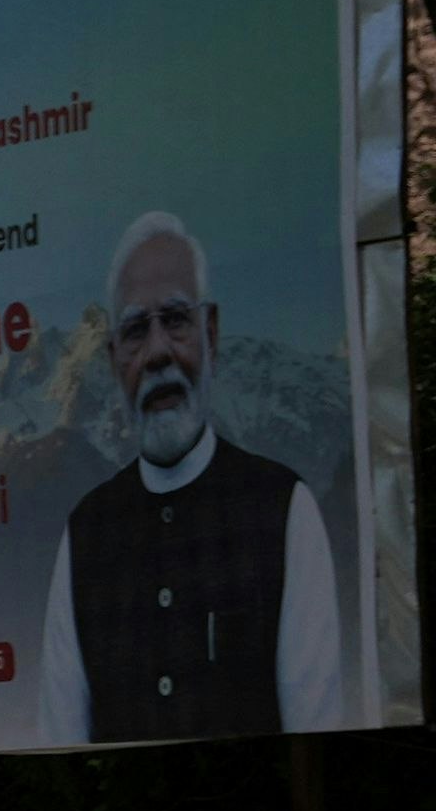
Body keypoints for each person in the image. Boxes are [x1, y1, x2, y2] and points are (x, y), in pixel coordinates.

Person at [40, 212, 345, 744]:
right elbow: (60, 740)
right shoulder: (87, 534)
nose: (158, 352)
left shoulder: (283, 510)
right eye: (136, 330)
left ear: (211, 333)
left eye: (176, 320)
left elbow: (316, 732)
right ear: (114, 360)